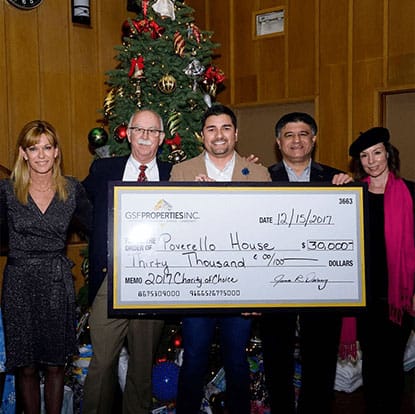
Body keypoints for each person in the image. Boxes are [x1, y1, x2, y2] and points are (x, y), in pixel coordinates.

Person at [171, 104, 271, 414]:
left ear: (236, 134)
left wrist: (259, 292)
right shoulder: (182, 172)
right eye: (212, 129)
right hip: (197, 284)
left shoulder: (258, 173)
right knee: (195, 358)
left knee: (237, 361)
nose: (219, 135)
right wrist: (194, 201)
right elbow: (172, 228)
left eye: (225, 128)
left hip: (241, 286)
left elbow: (265, 233)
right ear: (202, 136)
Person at [259, 112, 352, 413]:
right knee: (276, 356)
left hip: (322, 285)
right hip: (275, 284)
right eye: (289, 135)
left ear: (313, 139)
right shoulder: (262, 179)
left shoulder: (337, 180)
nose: (296, 141)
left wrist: (350, 192)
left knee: (321, 357)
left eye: (303, 134)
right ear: (278, 142)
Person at [82, 108, 172, 414]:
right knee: (101, 363)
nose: (146, 137)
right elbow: (78, 207)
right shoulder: (104, 170)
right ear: (128, 134)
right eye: (140, 130)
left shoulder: (177, 173)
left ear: (161, 138)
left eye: (153, 131)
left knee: (142, 367)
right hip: (111, 279)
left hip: (155, 283)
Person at [0, 120, 92, 414]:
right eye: (33, 147)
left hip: (56, 283)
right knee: (25, 366)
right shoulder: (6, 191)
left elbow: (100, 227)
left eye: (47, 147)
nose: (41, 154)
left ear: (56, 153)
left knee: (55, 365)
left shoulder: (72, 189)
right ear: (23, 153)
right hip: (19, 283)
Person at [341, 127, 415, 412]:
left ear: (388, 154)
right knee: (371, 360)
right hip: (365, 294)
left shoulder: (410, 192)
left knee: (393, 361)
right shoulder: (352, 194)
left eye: (377, 153)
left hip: (399, 295)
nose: (372, 161)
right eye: (364, 155)